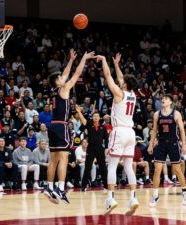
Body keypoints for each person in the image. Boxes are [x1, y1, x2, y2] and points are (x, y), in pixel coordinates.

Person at [43, 50, 95, 205]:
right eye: (60, 78)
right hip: (61, 126)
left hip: (52, 125)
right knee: (64, 158)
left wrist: (71, 60)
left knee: (53, 160)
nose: (63, 78)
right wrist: (83, 59)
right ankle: (60, 188)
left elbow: (65, 74)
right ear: (58, 82)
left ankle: (49, 187)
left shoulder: (53, 90)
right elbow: (76, 74)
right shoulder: (64, 89)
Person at [96, 53, 139, 216]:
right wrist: (117, 64)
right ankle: (133, 198)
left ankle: (110, 199)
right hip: (131, 132)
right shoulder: (133, 95)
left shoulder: (119, 93)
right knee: (128, 166)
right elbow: (121, 78)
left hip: (119, 131)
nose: (120, 81)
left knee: (112, 165)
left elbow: (107, 76)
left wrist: (106, 62)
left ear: (125, 84)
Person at [148, 94, 186, 207]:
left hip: (173, 143)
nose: (163, 100)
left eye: (165, 99)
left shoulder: (176, 113)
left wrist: (184, 145)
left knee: (177, 169)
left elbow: (181, 130)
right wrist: (151, 145)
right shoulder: (157, 114)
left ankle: (185, 192)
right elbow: (155, 130)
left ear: (170, 102)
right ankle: (155, 195)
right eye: (162, 99)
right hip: (161, 143)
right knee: (157, 170)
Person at [75, 106, 108, 191]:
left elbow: (106, 139)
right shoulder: (89, 124)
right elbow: (83, 120)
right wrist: (79, 112)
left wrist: (106, 148)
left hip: (100, 149)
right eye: (94, 116)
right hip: (91, 148)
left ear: (99, 117)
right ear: (92, 117)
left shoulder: (103, 127)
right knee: (87, 167)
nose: (96, 117)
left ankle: (106, 186)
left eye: (97, 116)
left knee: (103, 168)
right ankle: (83, 186)